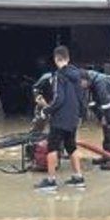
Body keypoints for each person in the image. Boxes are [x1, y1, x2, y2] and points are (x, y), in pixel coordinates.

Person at [34, 46, 86, 191]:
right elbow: (81, 98)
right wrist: (81, 115)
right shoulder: (77, 75)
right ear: (68, 59)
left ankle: (51, 181)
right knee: (71, 146)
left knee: (52, 147)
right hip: (73, 118)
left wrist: (46, 110)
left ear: (56, 59)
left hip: (60, 118)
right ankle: (78, 177)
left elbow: (59, 99)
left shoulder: (58, 76)